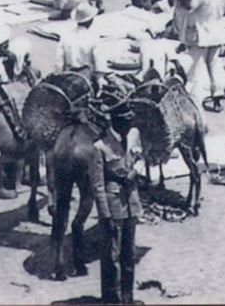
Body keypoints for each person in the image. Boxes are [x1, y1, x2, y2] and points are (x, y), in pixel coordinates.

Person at [88, 113, 140, 305]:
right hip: (113, 205)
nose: (129, 124)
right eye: (125, 121)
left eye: (130, 120)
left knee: (129, 254)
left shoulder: (133, 135)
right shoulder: (99, 147)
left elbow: (140, 158)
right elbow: (98, 185)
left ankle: (128, 298)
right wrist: (105, 214)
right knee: (112, 256)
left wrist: (135, 172)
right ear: (115, 122)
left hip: (131, 203)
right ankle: (112, 299)